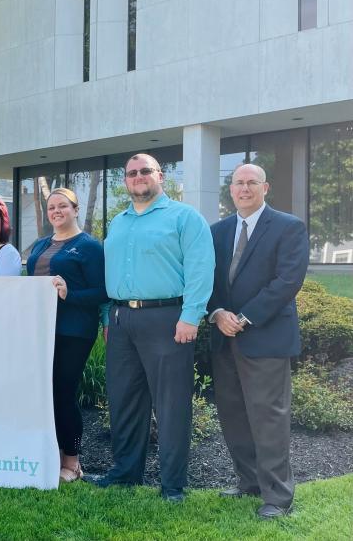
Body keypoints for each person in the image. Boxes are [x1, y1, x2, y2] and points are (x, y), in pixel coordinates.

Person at [90, 153, 214, 502]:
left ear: (160, 175)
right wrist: (107, 317)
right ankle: (125, 474)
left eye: (146, 171)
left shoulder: (184, 217)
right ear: (125, 181)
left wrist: (191, 316)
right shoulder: (119, 222)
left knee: (171, 405)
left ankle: (172, 485)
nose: (139, 177)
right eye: (132, 173)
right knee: (124, 400)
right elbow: (108, 272)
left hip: (168, 319)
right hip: (121, 320)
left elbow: (201, 268)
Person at [207, 164, 308, 519]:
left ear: (265, 187)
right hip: (224, 337)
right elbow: (209, 280)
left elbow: (287, 280)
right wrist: (218, 312)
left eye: (252, 183)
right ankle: (248, 482)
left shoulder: (288, 227)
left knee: (268, 419)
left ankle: (278, 497)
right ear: (230, 190)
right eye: (238, 183)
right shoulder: (217, 231)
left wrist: (246, 317)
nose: (245, 188)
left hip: (265, 337)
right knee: (233, 416)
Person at [26, 189, 106, 483]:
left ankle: (72, 462)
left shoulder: (89, 247)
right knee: (44, 393)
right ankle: (50, 454)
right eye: (51, 207)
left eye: (63, 206)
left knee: (63, 391)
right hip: (41, 329)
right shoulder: (42, 244)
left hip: (73, 331)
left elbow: (102, 291)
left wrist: (69, 294)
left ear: (75, 209)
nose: (56, 211)